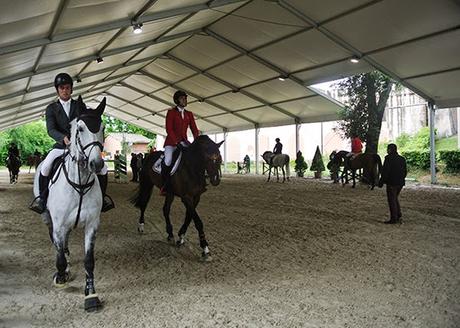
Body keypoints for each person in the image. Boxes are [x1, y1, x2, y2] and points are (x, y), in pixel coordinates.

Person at [29, 72, 114, 214]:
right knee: (46, 166)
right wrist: (62, 138)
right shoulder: (51, 108)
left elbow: (84, 124)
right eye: (62, 88)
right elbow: (51, 129)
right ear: (57, 90)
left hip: (79, 147)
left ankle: (103, 199)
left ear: (71, 89)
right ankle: (41, 199)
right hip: (61, 146)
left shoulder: (79, 105)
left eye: (67, 87)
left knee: (103, 168)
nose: (65, 90)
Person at [161, 90, 199, 195]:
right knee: (168, 160)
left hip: (185, 142)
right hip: (171, 143)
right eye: (183, 98)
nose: (185, 100)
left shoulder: (189, 114)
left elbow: (194, 129)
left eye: (186, 98)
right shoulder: (171, 112)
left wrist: (197, 140)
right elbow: (169, 129)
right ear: (177, 100)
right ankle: (165, 185)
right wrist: (176, 142)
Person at [378, 143, 407, 224]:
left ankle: (394, 218)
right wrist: (401, 179)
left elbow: (385, 172)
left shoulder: (388, 158)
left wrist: (381, 182)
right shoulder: (402, 159)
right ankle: (398, 214)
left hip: (392, 182)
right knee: (395, 198)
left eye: (388, 149)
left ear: (390, 150)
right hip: (400, 183)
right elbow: (405, 171)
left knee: (392, 200)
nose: (387, 150)